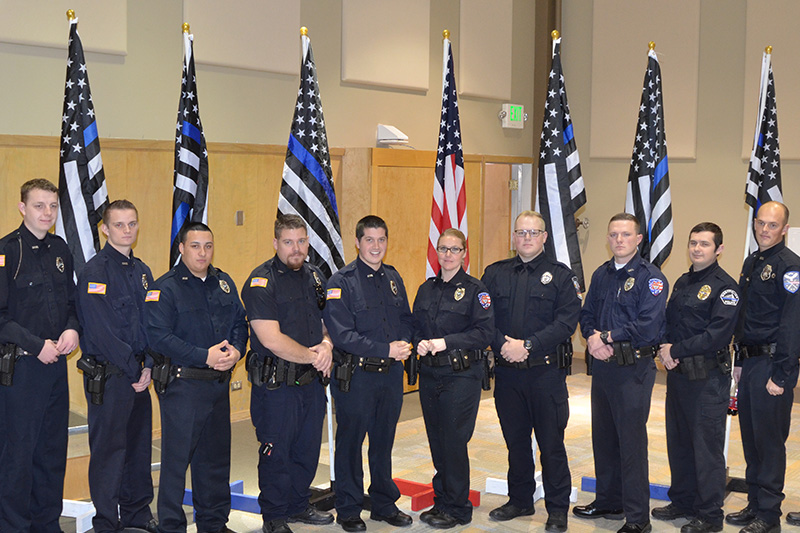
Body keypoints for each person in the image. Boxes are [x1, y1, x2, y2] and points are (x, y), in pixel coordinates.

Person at [481, 211, 581, 532]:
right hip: (508, 375)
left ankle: (557, 508)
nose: (526, 237)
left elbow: (566, 322)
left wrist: (528, 345)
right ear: (514, 237)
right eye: (521, 232)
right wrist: (503, 346)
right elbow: (483, 317)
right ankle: (520, 499)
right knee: (516, 442)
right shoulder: (495, 274)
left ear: (544, 237)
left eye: (533, 232)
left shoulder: (561, 276)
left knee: (551, 444)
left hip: (545, 374)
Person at [145, 221, 247, 533]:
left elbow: (240, 323)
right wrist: (205, 356)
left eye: (208, 246)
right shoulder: (165, 288)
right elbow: (158, 338)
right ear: (181, 248)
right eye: (195, 246)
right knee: (176, 464)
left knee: (215, 461)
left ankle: (213, 523)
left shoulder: (223, 282)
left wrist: (237, 352)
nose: (202, 253)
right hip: (183, 387)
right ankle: (172, 526)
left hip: (217, 386)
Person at [240, 214, 334, 533]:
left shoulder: (316, 276)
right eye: (289, 242)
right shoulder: (261, 282)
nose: (296, 248)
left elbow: (326, 322)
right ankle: (275, 516)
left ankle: (298, 505)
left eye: (301, 241)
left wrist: (326, 345)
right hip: (276, 387)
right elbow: (270, 339)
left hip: (310, 383)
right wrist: (313, 356)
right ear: (276, 243)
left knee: (306, 449)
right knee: (276, 452)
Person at [575, 212, 668, 533]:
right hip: (603, 367)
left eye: (626, 235)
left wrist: (607, 337)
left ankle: (638, 518)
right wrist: (591, 338)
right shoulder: (601, 274)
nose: (619, 240)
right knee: (603, 438)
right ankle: (609, 501)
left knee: (630, 444)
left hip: (633, 370)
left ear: (639, 239)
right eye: (614, 234)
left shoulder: (651, 278)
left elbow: (648, 326)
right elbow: (586, 314)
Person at [323, 215, 414, 532]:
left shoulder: (392, 277)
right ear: (358, 242)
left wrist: (403, 342)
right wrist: (386, 349)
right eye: (370, 240)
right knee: (350, 444)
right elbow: (342, 334)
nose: (376, 246)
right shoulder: (341, 282)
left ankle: (384, 504)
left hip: (389, 377)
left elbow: (405, 318)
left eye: (381, 240)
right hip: (356, 377)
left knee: (383, 442)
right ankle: (348, 508)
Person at [0, 178, 80, 532]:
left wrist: (72, 330)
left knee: (51, 451)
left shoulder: (61, 249)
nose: (47, 213)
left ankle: (46, 523)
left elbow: (72, 304)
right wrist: (37, 345)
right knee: (18, 455)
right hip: (21, 369)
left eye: (52, 206)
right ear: (22, 208)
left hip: (55, 366)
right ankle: (14, 526)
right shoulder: (7, 252)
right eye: (38, 205)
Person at [651, 223, 739, 533]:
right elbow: (670, 321)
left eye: (704, 244)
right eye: (693, 243)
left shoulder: (725, 288)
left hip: (707, 380)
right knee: (680, 444)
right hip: (679, 377)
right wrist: (664, 349)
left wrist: (676, 349)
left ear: (719, 249)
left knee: (706, 450)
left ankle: (709, 515)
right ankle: (683, 501)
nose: (697, 248)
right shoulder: (683, 281)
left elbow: (716, 335)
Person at [76, 200, 157, 533]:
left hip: (140, 374)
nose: (127, 231)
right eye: (120, 225)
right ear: (105, 229)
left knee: (138, 449)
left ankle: (137, 514)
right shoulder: (95, 273)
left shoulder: (143, 272)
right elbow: (101, 331)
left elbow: (154, 323)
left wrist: (150, 364)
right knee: (110, 452)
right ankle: (107, 522)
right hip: (110, 377)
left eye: (132, 224)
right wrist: (134, 369)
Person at [725, 201, 800, 533]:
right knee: (752, 438)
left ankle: (769, 516)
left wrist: (781, 374)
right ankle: (755, 504)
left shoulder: (790, 267)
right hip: (751, 361)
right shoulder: (751, 262)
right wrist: (739, 361)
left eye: (772, 225)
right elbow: (744, 318)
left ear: (784, 229)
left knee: (770, 443)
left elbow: (792, 323)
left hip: (773, 364)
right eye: (760, 223)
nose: (764, 230)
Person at [412, 228, 494, 529]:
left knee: (454, 440)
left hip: (461, 374)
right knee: (437, 439)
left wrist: (445, 342)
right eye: (443, 249)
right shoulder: (426, 289)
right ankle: (442, 500)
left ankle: (458, 508)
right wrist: (419, 341)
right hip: (430, 373)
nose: (448, 255)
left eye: (454, 249)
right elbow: (416, 324)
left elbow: (484, 333)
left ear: (464, 253)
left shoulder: (476, 290)